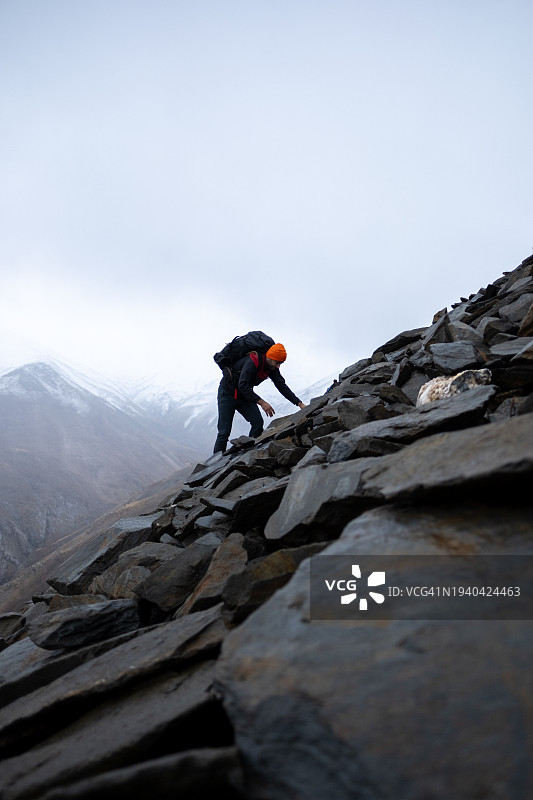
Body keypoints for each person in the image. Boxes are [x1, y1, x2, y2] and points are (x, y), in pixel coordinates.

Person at [213, 342, 306, 453]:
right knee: (224, 431)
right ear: (270, 357)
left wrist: (299, 403)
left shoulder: (271, 368)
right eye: (277, 362)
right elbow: (242, 385)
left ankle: (247, 453)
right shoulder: (252, 361)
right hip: (227, 394)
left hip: (244, 397)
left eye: (280, 363)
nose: (278, 366)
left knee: (257, 423)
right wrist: (262, 403)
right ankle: (214, 464)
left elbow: (282, 386)